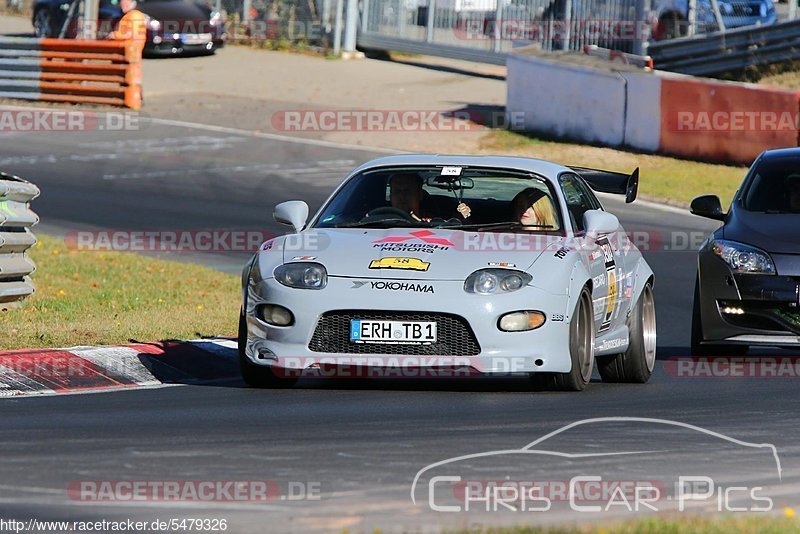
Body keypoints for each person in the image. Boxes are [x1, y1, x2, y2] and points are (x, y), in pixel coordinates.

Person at [389, 173, 471, 222]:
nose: (402, 196)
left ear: (419, 195)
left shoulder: (435, 222)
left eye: (408, 191)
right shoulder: (378, 221)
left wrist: (464, 217)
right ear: (390, 196)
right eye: (397, 191)